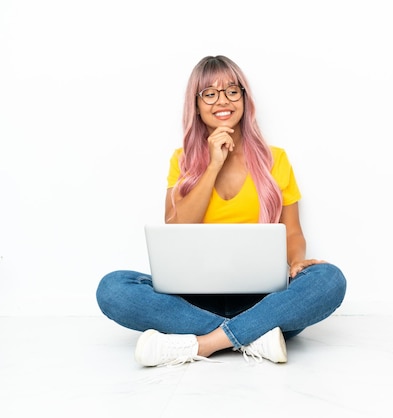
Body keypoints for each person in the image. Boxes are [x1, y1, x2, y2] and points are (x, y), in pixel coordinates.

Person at [95, 55, 347, 367]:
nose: (222, 101)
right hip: (192, 300)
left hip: (262, 299)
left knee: (329, 279)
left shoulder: (276, 159)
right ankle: (253, 336)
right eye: (210, 94)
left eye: (232, 91)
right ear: (197, 105)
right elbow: (176, 227)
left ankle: (204, 344)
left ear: (244, 98)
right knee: (113, 288)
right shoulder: (182, 161)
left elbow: (292, 231)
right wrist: (213, 164)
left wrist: (297, 262)